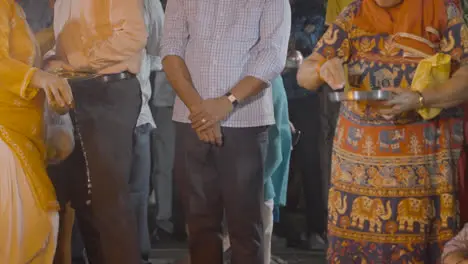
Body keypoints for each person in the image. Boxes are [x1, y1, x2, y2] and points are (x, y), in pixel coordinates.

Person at [297, 0, 468, 262]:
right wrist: (321, 69)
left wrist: (421, 98)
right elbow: (305, 74)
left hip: (424, 178)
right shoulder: (354, 13)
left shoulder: (441, 10)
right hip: (357, 181)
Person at [161, 0, 291, 263]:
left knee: (245, 227)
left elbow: (272, 55)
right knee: (199, 225)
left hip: (245, 121)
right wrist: (201, 110)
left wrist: (226, 102)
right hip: (192, 120)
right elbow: (170, 48)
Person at [43, 0, 147, 263]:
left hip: (108, 91)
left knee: (109, 200)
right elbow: (63, 43)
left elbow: (133, 36)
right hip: (78, 91)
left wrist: (75, 61)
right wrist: (50, 62)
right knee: (83, 199)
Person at [0, 0, 73, 262]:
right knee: (21, 228)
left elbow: (22, 55)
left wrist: (51, 65)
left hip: (22, 132)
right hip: (6, 135)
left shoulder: (11, 7)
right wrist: (39, 77)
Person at [284, 0, 328, 250]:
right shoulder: (271, 7)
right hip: (274, 93)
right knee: (282, 165)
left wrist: (293, 40)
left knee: (310, 163)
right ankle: (286, 229)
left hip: (306, 97)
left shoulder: (315, 11)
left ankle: (315, 230)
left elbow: (316, 46)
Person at [129, 0, 163, 261]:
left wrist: (138, 62)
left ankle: (138, 255)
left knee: (137, 194)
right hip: (84, 113)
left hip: (137, 114)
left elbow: (160, 50)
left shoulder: (147, 3)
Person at [149, 0, 177, 237]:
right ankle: (165, 220)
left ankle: (181, 219)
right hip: (166, 100)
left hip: (196, 102)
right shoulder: (158, 10)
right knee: (165, 164)